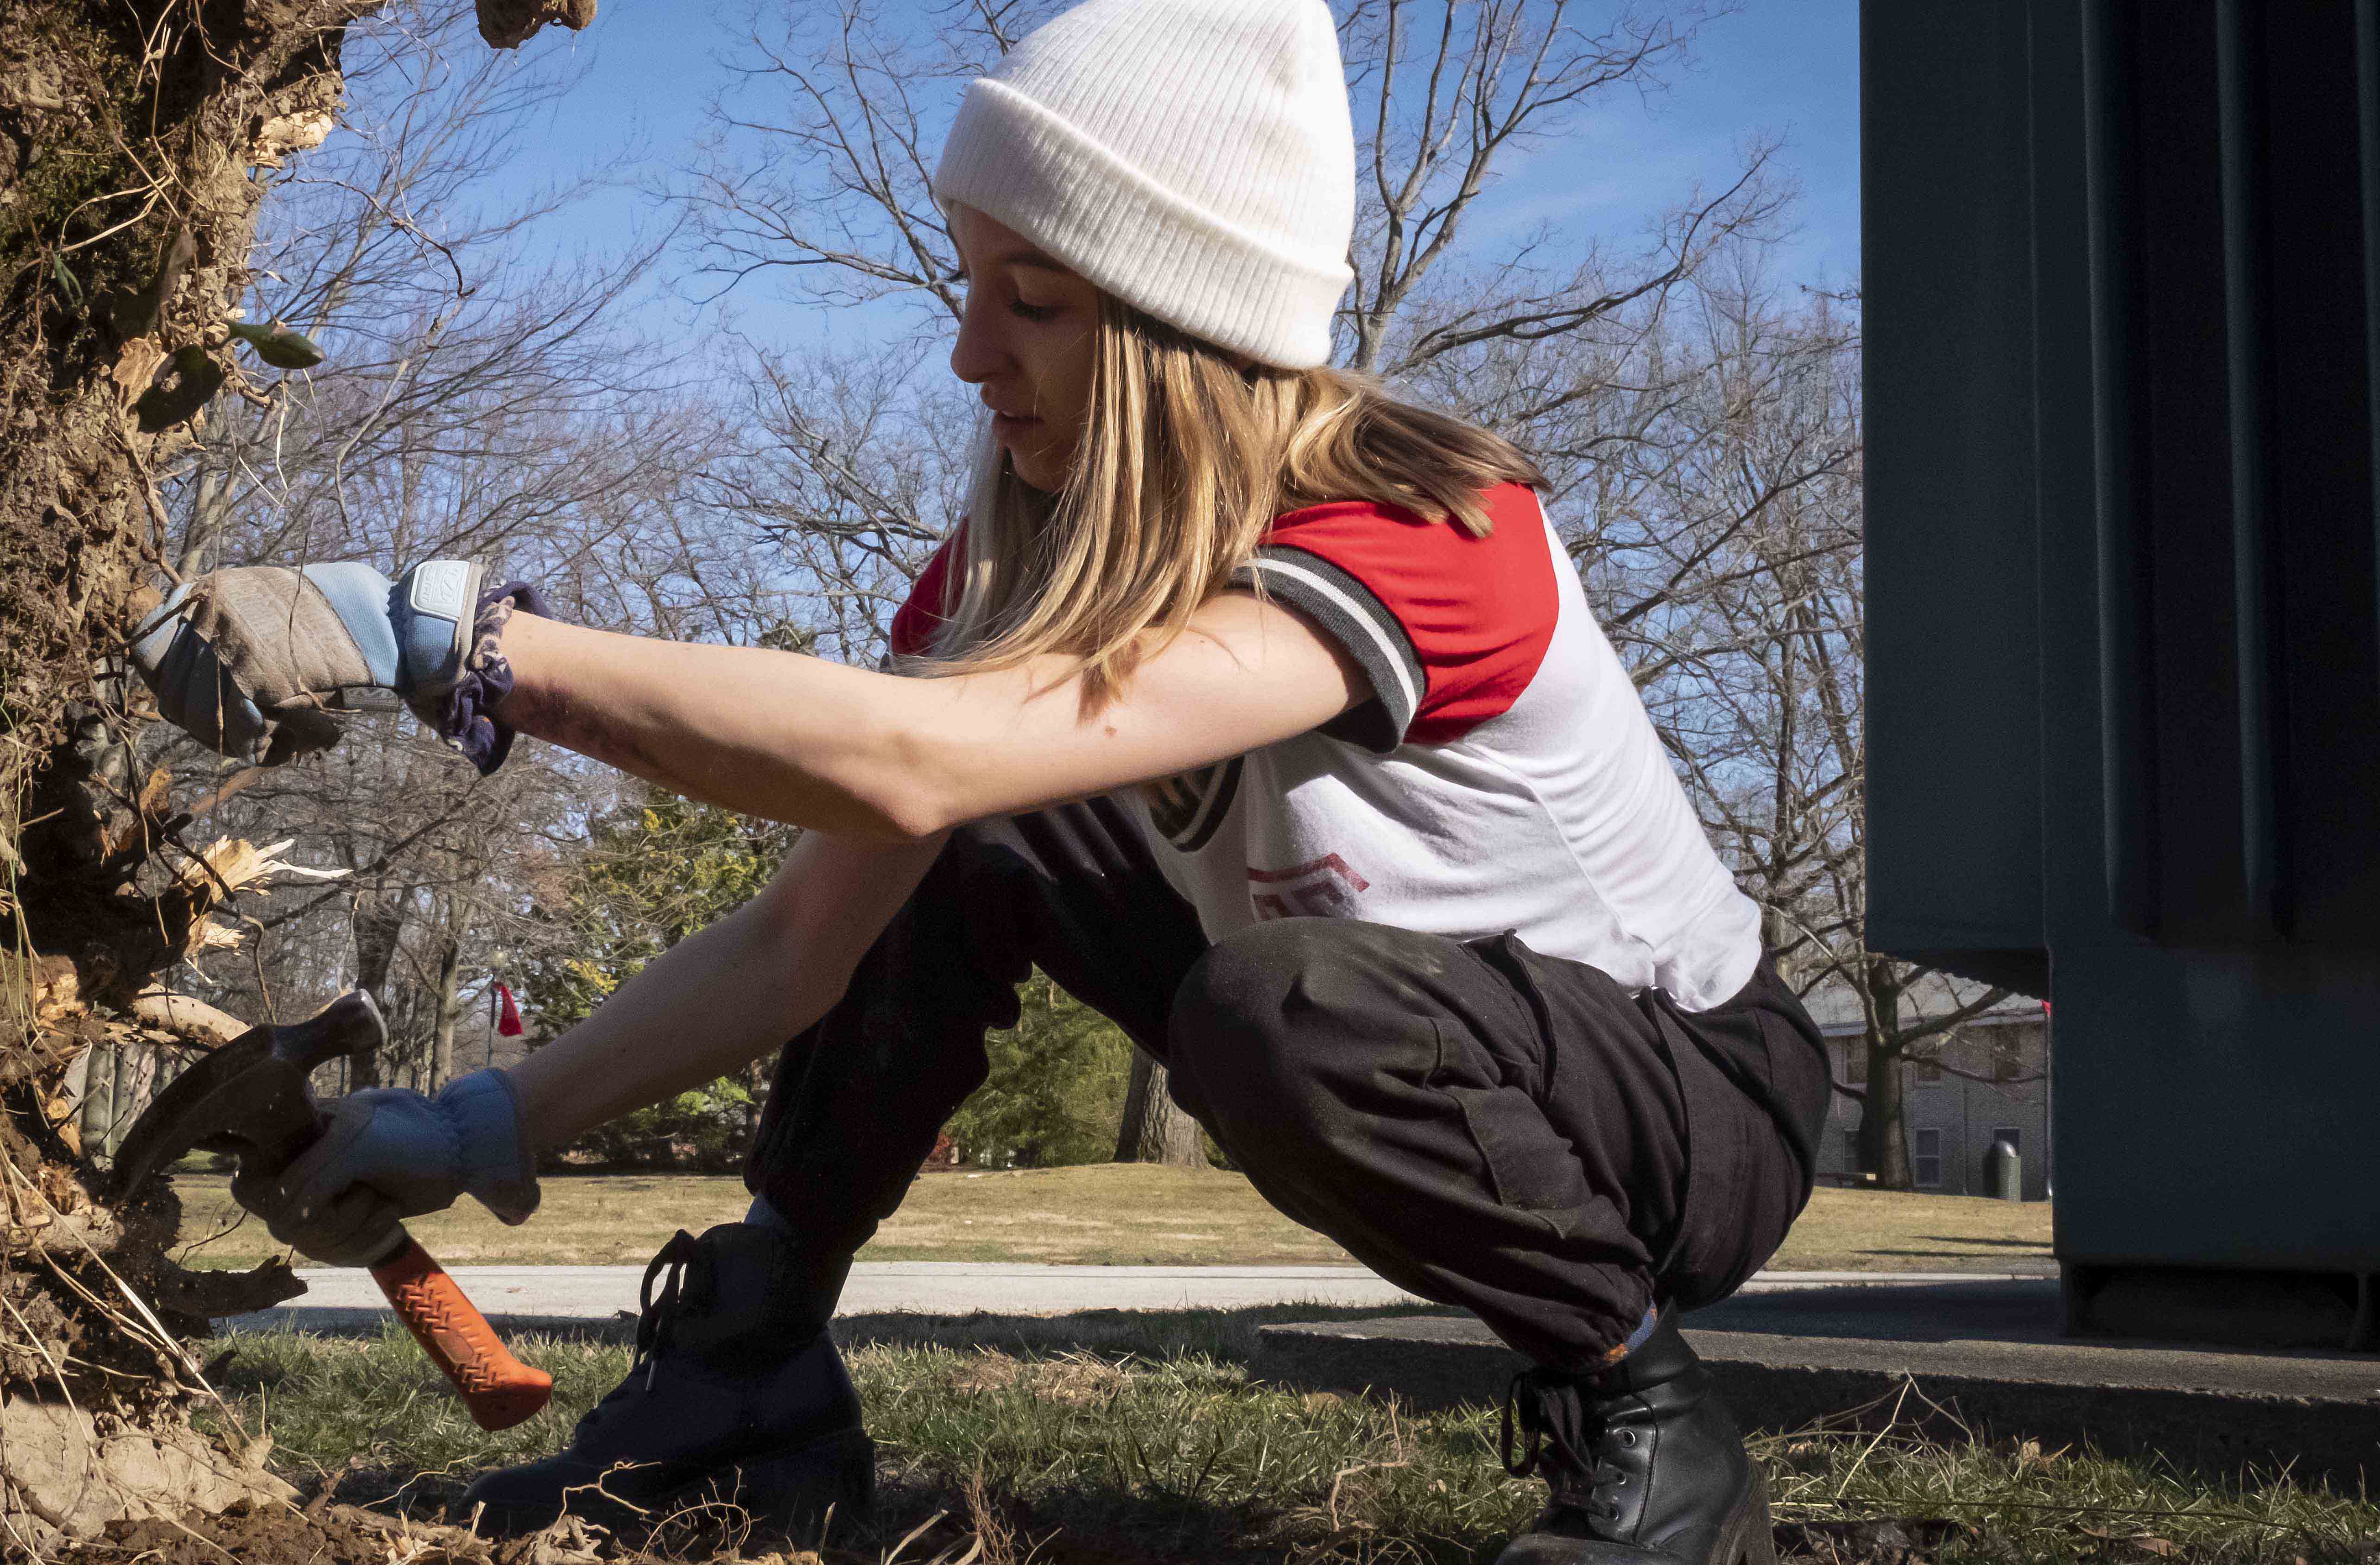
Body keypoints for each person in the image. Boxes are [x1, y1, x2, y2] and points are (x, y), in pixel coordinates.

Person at [131, 2, 1828, 1559]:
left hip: (1685, 1106)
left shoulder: (1420, 528)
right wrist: (472, 1124)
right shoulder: (1008, 589)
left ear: (1186, 331)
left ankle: (1647, 1426)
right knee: (966, 838)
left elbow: (921, 749)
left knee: (1263, 993)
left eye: (1033, 300)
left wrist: (449, 637)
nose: (967, 356)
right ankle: (753, 1370)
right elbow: (807, 942)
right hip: (1402, 1033)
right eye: (969, 283)